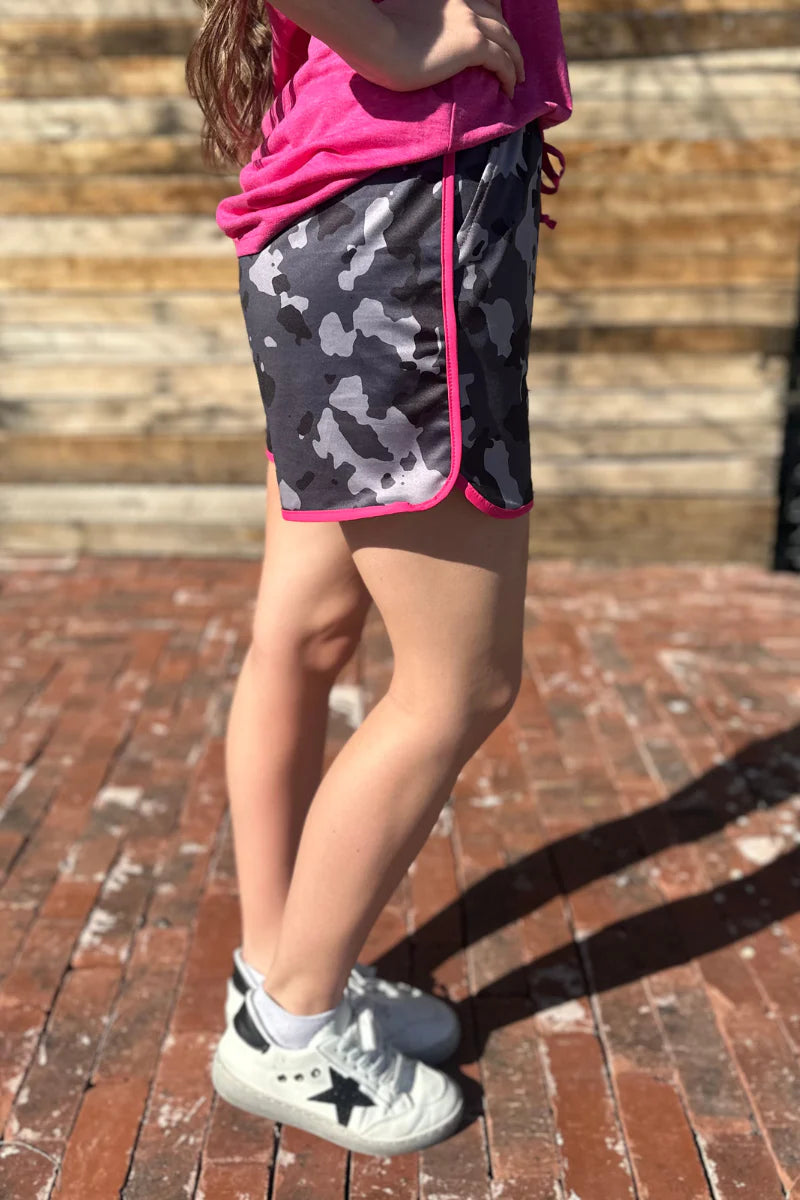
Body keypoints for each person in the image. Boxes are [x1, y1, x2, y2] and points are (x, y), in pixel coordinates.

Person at [185, 0, 572, 1156]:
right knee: (459, 684)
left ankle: (278, 971)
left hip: (347, 221)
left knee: (305, 634)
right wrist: (405, 49)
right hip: (406, 223)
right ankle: (290, 1031)